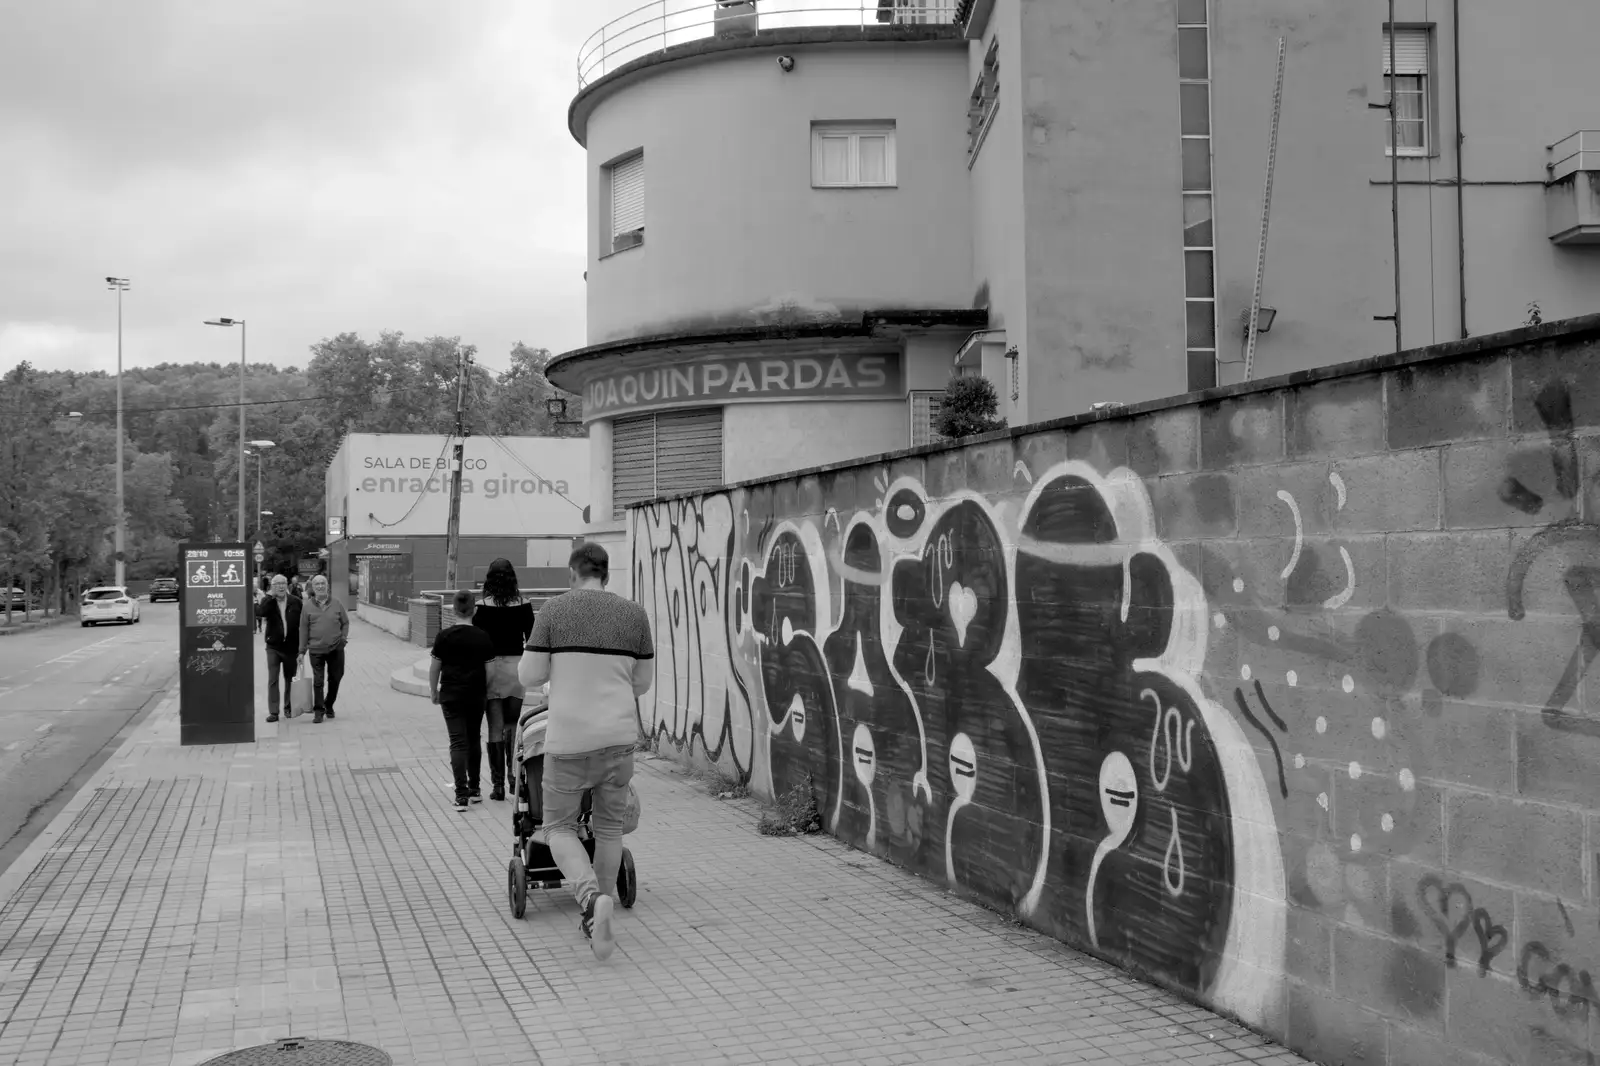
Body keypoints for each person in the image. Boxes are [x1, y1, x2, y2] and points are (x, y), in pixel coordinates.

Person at [519, 542, 654, 961]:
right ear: (607, 575)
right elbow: (642, 682)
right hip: (618, 739)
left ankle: (591, 899)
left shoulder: (555, 612)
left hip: (569, 741)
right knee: (609, 829)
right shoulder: (634, 614)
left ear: (572, 574)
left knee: (558, 828)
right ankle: (601, 908)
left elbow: (530, 674)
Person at [472, 559, 536, 802]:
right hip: (516, 668)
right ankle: (512, 779)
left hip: (491, 669)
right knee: (512, 725)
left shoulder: (482, 606)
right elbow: (532, 638)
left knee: (494, 727)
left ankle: (497, 785)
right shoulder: (524, 604)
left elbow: (477, 640)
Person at [431, 590, 496, 811]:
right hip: (475, 695)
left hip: (450, 694)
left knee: (457, 742)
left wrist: (434, 691)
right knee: (474, 738)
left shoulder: (444, 636)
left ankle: (461, 795)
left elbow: (435, 667)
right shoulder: (483, 636)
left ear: (454, 610)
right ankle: (475, 788)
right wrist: (483, 689)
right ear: (474, 610)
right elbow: (491, 670)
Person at [298, 574, 350, 724]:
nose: (320, 586)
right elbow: (303, 629)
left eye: (323, 583)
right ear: (312, 588)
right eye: (317, 584)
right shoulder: (307, 607)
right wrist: (301, 651)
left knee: (336, 677)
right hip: (316, 649)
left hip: (336, 648)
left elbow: (345, 623)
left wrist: (343, 639)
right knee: (318, 681)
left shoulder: (336, 603)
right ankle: (319, 711)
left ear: (327, 586)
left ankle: (329, 704)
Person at [257, 574, 302, 723]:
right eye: (277, 584)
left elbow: (303, 624)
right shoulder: (268, 601)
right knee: (273, 679)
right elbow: (261, 612)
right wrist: (270, 596)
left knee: (290, 679)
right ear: (272, 586)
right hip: (273, 647)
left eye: (283, 583)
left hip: (291, 647)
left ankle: (288, 708)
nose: (281, 586)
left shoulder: (296, 602)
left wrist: (302, 647)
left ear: (287, 585)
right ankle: (274, 712)